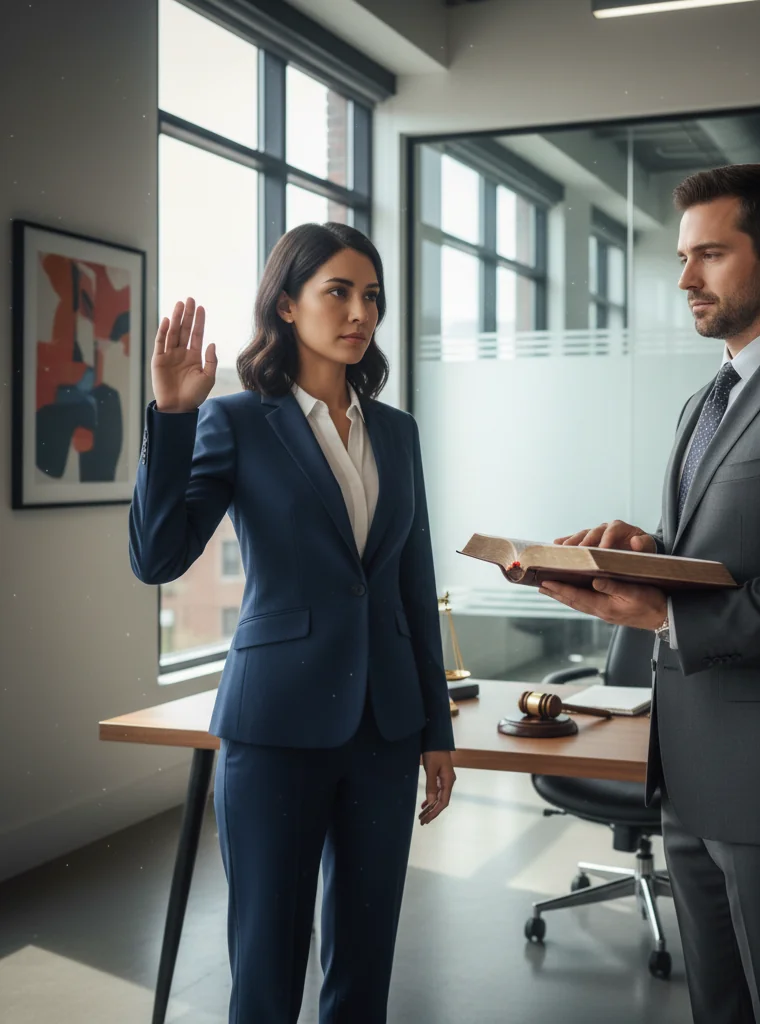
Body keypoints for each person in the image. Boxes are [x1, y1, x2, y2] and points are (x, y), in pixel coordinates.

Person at [541, 164, 760, 1024]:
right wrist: (649, 555)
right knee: (720, 1011)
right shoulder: (706, 400)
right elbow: (732, 555)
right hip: (691, 772)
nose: (684, 278)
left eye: (709, 254)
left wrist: (667, 611)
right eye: (681, 256)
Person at [129, 223, 456, 1024]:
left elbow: (415, 585)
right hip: (274, 728)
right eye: (337, 291)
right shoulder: (237, 421)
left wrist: (437, 730)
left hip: (385, 728)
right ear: (286, 302)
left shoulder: (398, 432)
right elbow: (157, 556)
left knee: (365, 965)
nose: (359, 312)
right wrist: (172, 416)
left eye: (371, 295)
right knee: (267, 968)